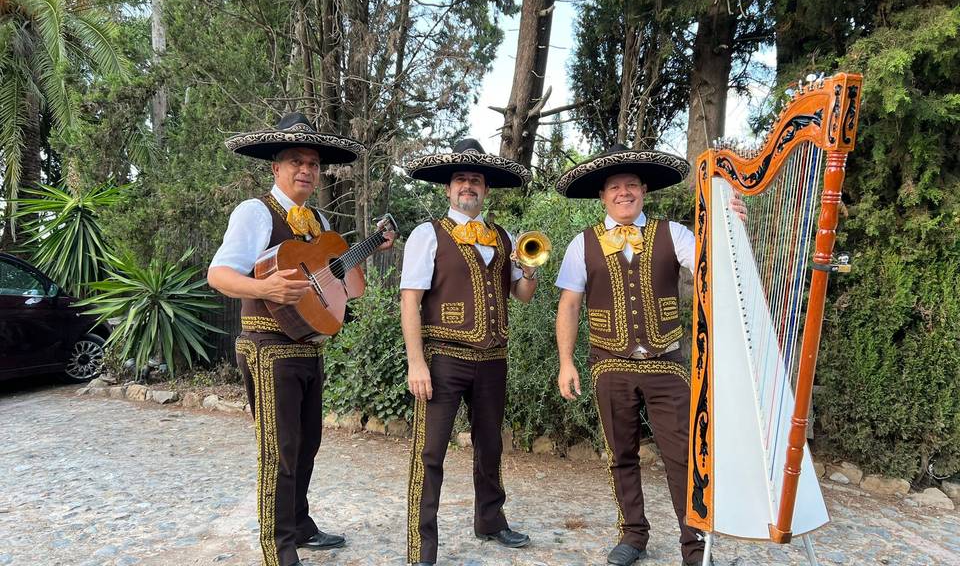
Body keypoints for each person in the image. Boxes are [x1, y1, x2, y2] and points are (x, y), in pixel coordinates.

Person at [207, 112, 395, 566]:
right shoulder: (255, 212)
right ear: (276, 168)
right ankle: (278, 546)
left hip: (307, 345)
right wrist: (262, 288)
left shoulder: (319, 220)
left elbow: (346, 288)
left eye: (312, 162)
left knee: (307, 442)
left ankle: (300, 524)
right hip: (268, 346)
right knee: (280, 448)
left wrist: (368, 250)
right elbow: (218, 274)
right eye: (295, 161)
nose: (306, 170)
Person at [553, 144, 745, 566]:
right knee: (620, 453)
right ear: (603, 196)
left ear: (643, 191)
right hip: (610, 362)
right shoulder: (581, 244)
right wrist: (566, 362)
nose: (624, 192)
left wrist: (729, 229)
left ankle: (695, 547)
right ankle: (633, 535)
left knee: (684, 455)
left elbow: (709, 269)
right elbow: (569, 305)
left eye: (632, 185)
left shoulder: (673, 233)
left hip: (666, 362)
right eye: (615, 187)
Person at [400, 138, 538, 566]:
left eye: (475, 180)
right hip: (443, 357)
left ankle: (491, 520)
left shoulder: (504, 236)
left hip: (493, 358)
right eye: (461, 179)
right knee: (431, 452)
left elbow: (522, 295)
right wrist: (416, 362)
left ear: (486, 189)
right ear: (448, 188)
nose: (468, 186)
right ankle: (421, 548)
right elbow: (410, 300)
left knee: (490, 444)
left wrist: (529, 273)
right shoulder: (427, 234)